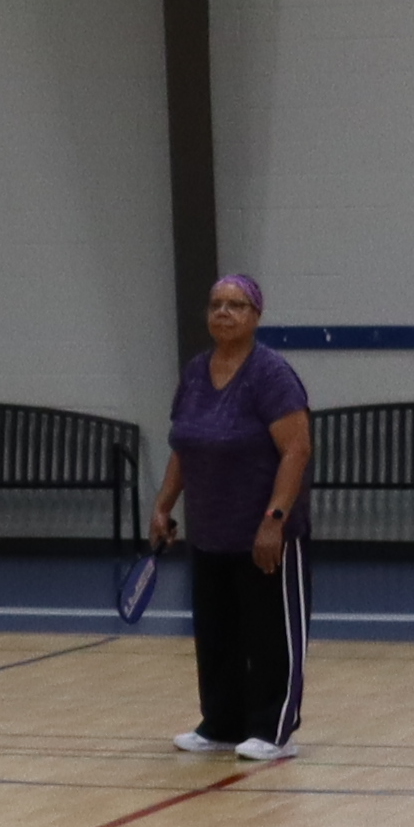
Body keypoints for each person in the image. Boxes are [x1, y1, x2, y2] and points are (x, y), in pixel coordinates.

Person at [149, 271, 316, 761]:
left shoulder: (271, 375)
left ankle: (274, 730)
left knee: (270, 635)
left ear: (256, 316)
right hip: (210, 530)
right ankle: (222, 722)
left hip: (264, 531)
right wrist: (162, 505)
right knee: (217, 632)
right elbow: (184, 445)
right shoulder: (196, 372)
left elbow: (297, 449)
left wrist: (275, 519)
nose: (224, 313)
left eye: (236, 305)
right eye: (217, 304)